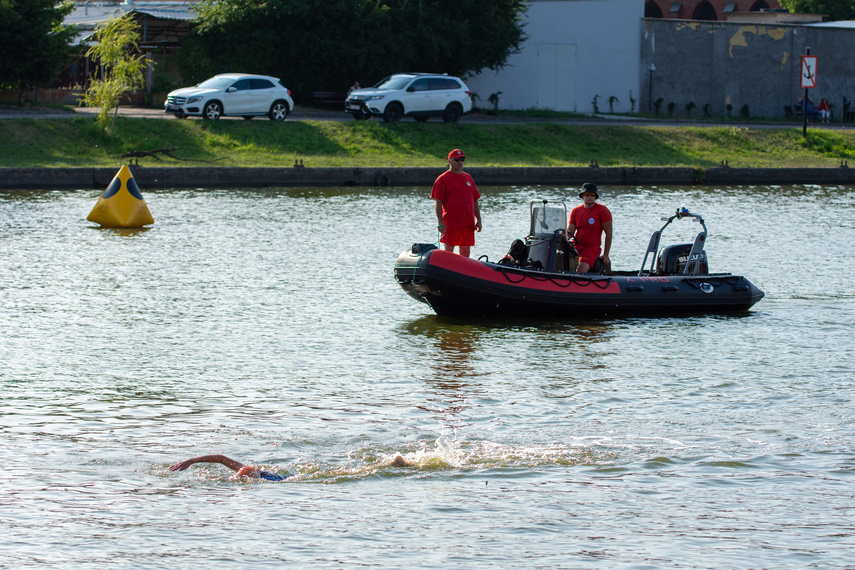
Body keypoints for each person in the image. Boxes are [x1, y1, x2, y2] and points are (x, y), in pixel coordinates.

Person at [170, 453, 410, 481]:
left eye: (246, 472)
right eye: (244, 471)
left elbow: (221, 458)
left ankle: (393, 464)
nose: (242, 471)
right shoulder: (251, 475)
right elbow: (221, 458)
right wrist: (191, 461)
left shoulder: (260, 478)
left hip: (289, 480)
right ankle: (394, 463)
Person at [431, 149, 482, 257]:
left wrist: (479, 220)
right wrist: (440, 222)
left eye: (462, 159)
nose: (460, 162)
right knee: (449, 252)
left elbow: (475, 200)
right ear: (449, 161)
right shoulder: (442, 179)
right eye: (457, 160)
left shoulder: (468, 178)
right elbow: (438, 202)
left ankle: (462, 272)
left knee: (465, 253)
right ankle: (447, 271)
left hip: (467, 222)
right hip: (451, 223)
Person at [567, 183, 612, 273]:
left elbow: (609, 233)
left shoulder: (602, 210)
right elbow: (570, 233)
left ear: (595, 197)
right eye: (587, 195)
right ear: (583, 196)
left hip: (591, 248)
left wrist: (606, 255)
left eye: (592, 195)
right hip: (576, 246)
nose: (590, 197)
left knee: (580, 269)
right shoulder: (576, 211)